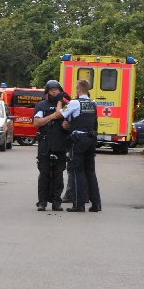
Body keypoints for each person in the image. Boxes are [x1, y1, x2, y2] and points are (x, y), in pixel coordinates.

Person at [53, 79, 101, 212]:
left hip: (79, 140)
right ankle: (96, 204)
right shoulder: (93, 103)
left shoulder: (75, 103)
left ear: (79, 89)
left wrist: (59, 101)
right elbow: (85, 120)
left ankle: (78, 204)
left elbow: (58, 114)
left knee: (77, 171)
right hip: (91, 139)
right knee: (90, 172)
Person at [32, 80, 69, 211]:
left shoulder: (66, 106)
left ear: (60, 91)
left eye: (56, 89)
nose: (54, 91)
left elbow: (69, 123)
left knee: (59, 174)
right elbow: (37, 122)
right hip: (45, 143)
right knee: (44, 173)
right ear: (47, 91)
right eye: (51, 89)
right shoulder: (41, 105)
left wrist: (66, 125)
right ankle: (42, 202)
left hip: (60, 143)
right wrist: (53, 116)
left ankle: (56, 202)